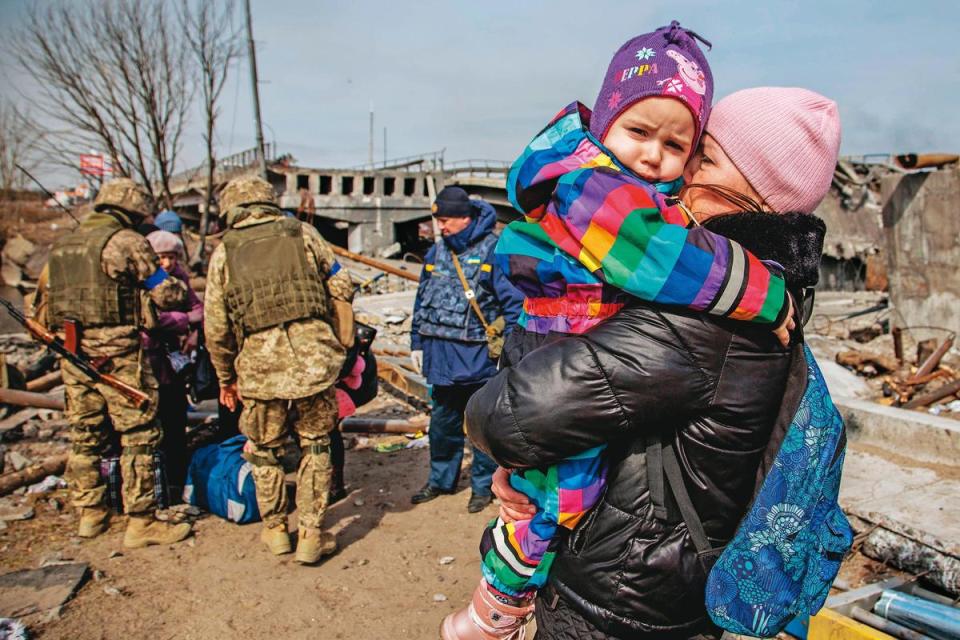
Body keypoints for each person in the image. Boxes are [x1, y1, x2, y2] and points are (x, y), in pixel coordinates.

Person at [442, 22, 795, 639]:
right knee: (557, 492)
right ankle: (495, 604)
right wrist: (762, 291)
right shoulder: (592, 186)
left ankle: (498, 599)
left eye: (682, 146)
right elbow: (660, 261)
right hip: (558, 335)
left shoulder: (635, 201)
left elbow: (516, 418)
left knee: (554, 490)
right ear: (605, 124)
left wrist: (515, 446)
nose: (655, 155)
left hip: (621, 599)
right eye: (638, 131)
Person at [204, 176, 355, 564]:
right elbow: (342, 281)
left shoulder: (224, 253)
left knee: (265, 452)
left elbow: (216, 327)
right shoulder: (302, 234)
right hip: (313, 364)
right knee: (317, 446)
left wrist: (225, 378)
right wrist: (332, 331)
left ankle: (274, 530)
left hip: (259, 370)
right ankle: (310, 534)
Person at [42, 177, 193, 548]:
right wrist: (175, 289)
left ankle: (90, 513)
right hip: (119, 355)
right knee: (140, 434)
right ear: (133, 211)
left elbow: (42, 307)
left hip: (73, 353)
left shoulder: (63, 245)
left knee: (86, 434)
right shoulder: (126, 241)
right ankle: (141, 522)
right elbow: (167, 293)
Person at [409, 186, 524, 513]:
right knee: (442, 425)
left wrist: (509, 354)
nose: (440, 227)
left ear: (466, 217)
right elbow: (422, 300)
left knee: (482, 428)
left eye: (446, 220)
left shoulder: (492, 251)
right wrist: (416, 342)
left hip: (478, 361)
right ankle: (440, 480)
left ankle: (482, 487)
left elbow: (514, 306)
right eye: (438, 220)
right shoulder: (436, 252)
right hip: (440, 358)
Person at [141, 230, 203, 498]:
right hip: (148, 359)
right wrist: (183, 320)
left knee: (175, 420)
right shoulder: (144, 279)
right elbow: (148, 320)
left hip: (172, 362)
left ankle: (177, 480)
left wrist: (194, 330)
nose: (166, 263)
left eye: (171, 257)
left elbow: (199, 310)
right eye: (161, 257)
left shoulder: (180, 279)